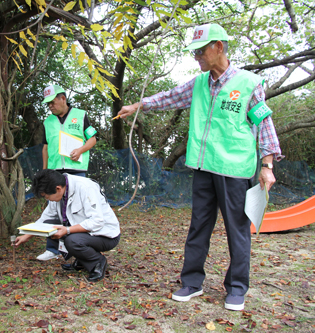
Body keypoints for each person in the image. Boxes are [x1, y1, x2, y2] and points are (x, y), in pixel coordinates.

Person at [117, 23, 282, 311]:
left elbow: (264, 123)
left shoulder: (248, 84)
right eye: (194, 52)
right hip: (204, 167)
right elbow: (168, 98)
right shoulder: (198, 84)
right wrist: (138, 105)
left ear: (219, 46)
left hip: (235, 170)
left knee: (237, 230)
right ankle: (191, 282)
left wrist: (267, 164)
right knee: (198, 227)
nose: (197, 57)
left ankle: (237, 287)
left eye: (201, 50)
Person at [14, 169, 120, 282]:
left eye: (47, 196)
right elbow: (45, 219)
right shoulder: (59, 190)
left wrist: (67, 230)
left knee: (72, 241)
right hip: (85, 233)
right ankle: (82, 261)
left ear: (58, 189)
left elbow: (97, 221)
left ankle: (97, 262)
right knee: (50, 226)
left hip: (105, 235)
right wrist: (27, 235)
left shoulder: (85, 187)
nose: (47, 199)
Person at [35, 85, 98, 261]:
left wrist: (80, 149)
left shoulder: (80, 115)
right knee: (53, 209)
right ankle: (52, 249)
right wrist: (45, 169)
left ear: (63, 98)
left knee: (80, 209)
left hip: (76, 170)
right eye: (47, 104)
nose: (50, 106)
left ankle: (79, 248)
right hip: (55, 170)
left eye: (52, 102)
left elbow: (92, 139)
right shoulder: (48, 122)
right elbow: (46, 147)